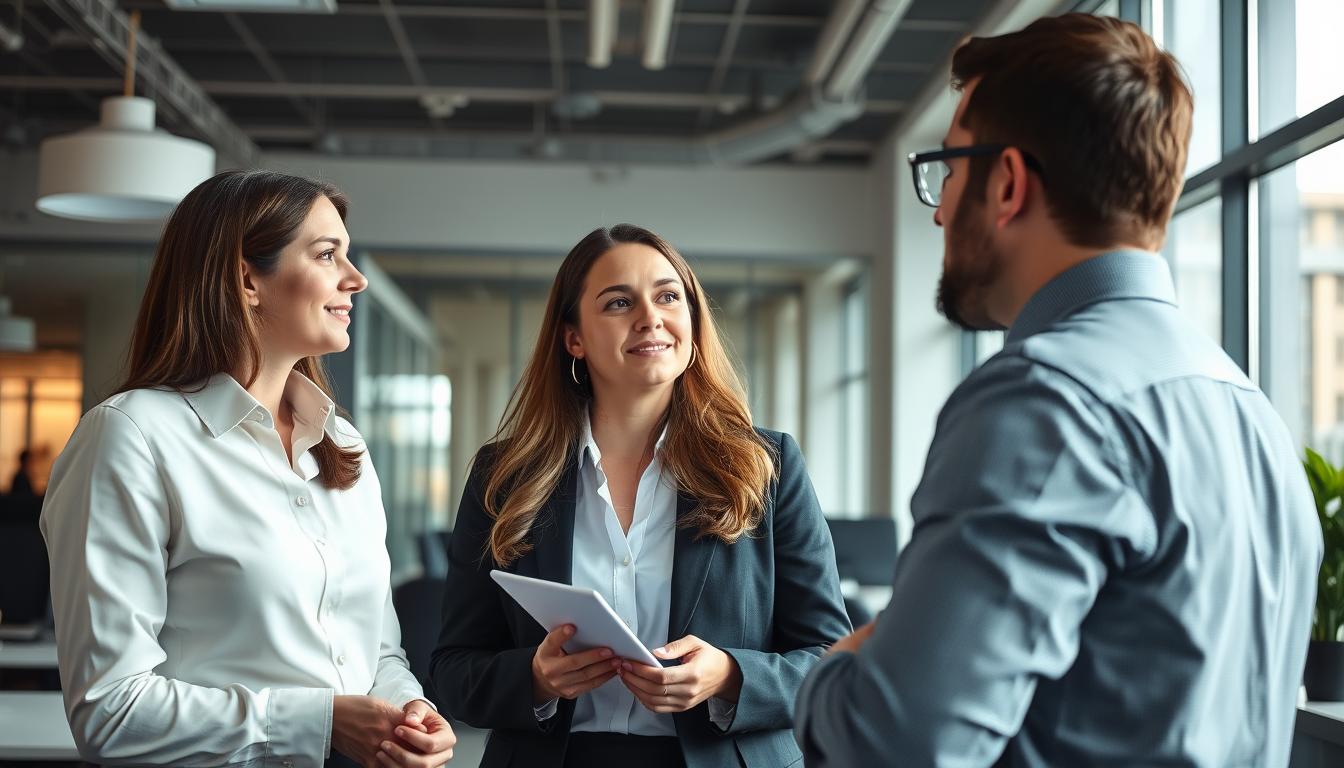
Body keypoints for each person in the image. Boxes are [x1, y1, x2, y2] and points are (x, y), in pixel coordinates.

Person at [795, 13, 1320, 768]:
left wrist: (836, 666)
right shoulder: (1248, 408)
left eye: (947, 170)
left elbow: (896, 745)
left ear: (1006, 183)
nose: (940, 210)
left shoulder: (1045, 401)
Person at [41, 170, 456, 768]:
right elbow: (111, 711)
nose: (355, 278)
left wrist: (409, 711)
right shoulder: (131, 437)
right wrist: (320, 722)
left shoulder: (342, 446)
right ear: (246, 279)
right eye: (327, 254)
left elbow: (376, 652)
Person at [431, 224, 850, 768]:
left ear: (694, 326)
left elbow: (829, 660)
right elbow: (453, 667)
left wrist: (729, 675)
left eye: (669, 296)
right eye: (619, 302)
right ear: (573, 338)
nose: (650, 316)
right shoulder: (505, 475)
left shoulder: (766, 466)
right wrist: (533, 679)